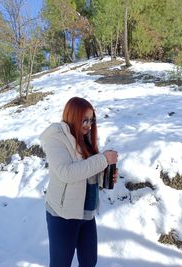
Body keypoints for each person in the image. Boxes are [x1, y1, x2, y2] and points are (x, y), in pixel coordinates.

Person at [40, 96, 118, 267]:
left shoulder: (85, 138)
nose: (88, 124)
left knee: (89, 261)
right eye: (84, 120)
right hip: (63, 215)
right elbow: (67, 173)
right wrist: (103, 159)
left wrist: (104, 176)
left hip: (86, 213)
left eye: (91, 120)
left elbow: (86, 172)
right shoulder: (55, 138)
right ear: (73, 116)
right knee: (61, 263)